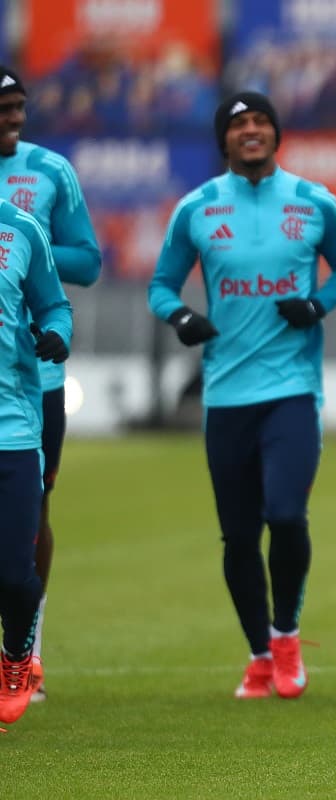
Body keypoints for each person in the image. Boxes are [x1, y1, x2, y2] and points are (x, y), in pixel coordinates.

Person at [148, 91, 336, 699]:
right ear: (224, 140)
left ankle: (288, 636)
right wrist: (183, 319)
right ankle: (259, 655)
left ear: (276, 133)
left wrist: (318, 302)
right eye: (239, 123)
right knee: (239, 536)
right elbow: (162, 286)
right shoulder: (197, 208)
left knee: (287, 515)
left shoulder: (314, 201)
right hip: (225, 393)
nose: (251, 130)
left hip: (292, 389)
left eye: (261, 121)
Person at [0, 65, 102, 703]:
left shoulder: (49, 173)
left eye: (19, 106)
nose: (15, 118)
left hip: (35, 376)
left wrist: (27, 244)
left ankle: (25, 651)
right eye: (3, 108)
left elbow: (88, 261)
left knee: (32, 516)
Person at [0, 195, 73, 727]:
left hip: (13, 428)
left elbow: (55, 305)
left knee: (15, 575)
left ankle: (16, 659)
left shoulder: (20, 227)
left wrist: (57, 335)